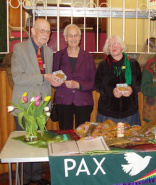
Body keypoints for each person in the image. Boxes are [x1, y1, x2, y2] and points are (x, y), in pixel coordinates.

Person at [11, 18, 62, 185]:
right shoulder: (19, 48)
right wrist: (44, 77)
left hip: (42, 107)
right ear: (32, 31)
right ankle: (25, 180)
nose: (45, 34)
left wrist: (53, 80)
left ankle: (37, 177)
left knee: (39, 141)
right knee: (27, 144)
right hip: (26, 107)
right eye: (42, 30)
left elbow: (45, 77)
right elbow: (18, 77)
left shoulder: (48, 51)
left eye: (48, 31)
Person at [53, 24, 96, 130]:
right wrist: (57, 81)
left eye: (76, 35)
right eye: (70, 36)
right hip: (63, 100)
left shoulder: (88, 57)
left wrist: (78, 85)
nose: (73, 38)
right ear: (65, 38)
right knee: (65, 135)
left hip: (83, 101)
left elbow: (94, 82)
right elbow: (53, 77)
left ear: (80, 37)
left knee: (82, 135)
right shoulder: (58, 56)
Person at [95, 35, 142, 126]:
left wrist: (132, 89)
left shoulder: (133, 64)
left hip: (129, 113)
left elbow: (139, 83)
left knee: (130, 140)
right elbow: (97, 85)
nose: (113, 47)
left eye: (116, 44)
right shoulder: (103, 65)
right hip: (107, 113)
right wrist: (111, 91)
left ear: (122, 46)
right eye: (110, 45)